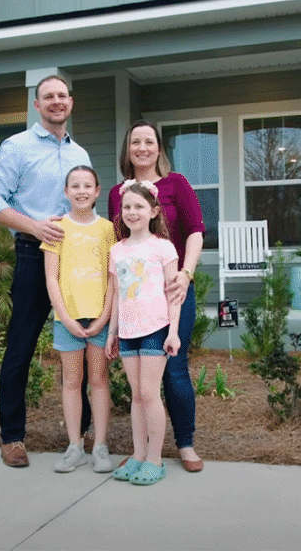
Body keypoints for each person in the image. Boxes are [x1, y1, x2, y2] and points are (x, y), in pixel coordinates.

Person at [0, 75, 92, 468]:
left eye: (62, 96)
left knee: (82, 345)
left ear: (71, 103)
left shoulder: (80, 153)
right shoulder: (18, 147)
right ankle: (12, 437)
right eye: (48, 97)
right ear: (37, 105)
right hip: (33, 254)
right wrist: (34, 226)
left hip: (77, 261)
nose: (56, 102)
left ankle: (82, 435)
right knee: (21, 348)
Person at [107, 120, 206, 473]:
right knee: (141, 387)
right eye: (136, 142)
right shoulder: (118, 192)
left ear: (159, 149)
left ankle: (185, 444)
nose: (143, 148)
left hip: (173, 289)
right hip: (136, 299)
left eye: (149, 142)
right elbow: (120, 246)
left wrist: (185, 273)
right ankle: (145, 453)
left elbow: (195, 231)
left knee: (175, 371)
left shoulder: (176, 184)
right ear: (128, 149)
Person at [106, 180, 180, 486]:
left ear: (153, 210)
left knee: (150, 393)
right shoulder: (117, 250)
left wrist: (173, 332)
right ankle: (137, 455)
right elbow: (116, 293)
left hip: (156, 328)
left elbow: (174, 293)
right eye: (127, 207)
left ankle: (155, 459)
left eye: (139, 206)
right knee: (136, 396)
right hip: (128, 330)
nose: (132, 212)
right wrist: (112, 331)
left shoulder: (163, 247)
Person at [42, 166, 116, 473]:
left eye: (88, 185)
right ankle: (75, 446)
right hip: (67, 319)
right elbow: (51, 278)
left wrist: (104, 318)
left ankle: (100, 446)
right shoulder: (57, 228)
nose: (82, 191)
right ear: (66, 192)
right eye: (75, 186)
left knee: (98, 381)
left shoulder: (108, 229)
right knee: (72, 382)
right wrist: (65, 317)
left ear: (98, 191)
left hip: (99, 316)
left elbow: (114, 279)